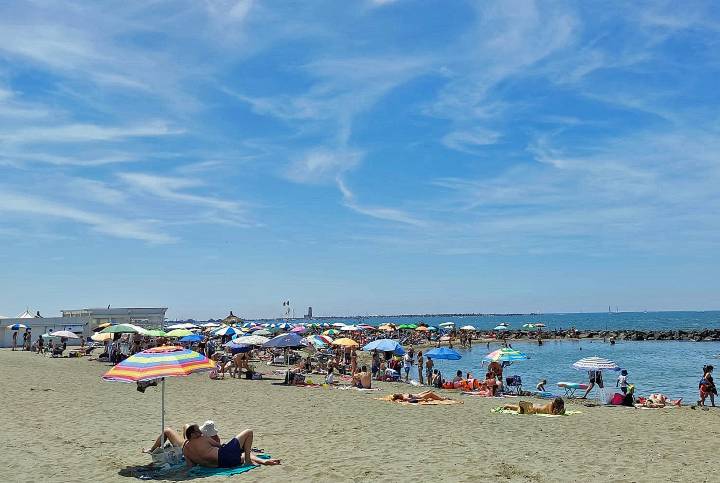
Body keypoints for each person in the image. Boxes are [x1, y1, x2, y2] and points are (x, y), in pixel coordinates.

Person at [183, 424, 280, 469]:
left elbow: (190, 466)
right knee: (249, 432)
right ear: (192, 435)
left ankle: (261, 461)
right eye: (198, 431)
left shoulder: (185, 450)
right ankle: (249, 461)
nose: (200, 433)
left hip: (221, 465)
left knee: (242, 453)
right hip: (225, 457)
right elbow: (219, 446)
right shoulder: (203, 439)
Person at [144, 421, 220, 454]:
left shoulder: (203, 438)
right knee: (186, 426)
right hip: (190, 444)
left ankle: (152, 449)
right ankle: (184, 437)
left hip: (185, 447)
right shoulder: (216, 438)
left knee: (167, 431)